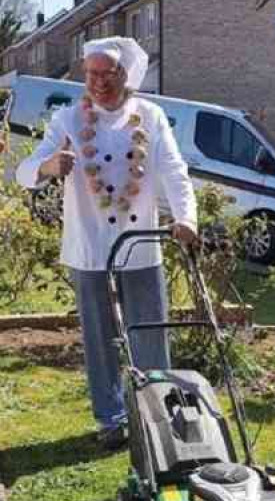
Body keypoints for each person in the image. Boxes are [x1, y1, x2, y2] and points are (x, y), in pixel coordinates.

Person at [15, 37, 198, 450]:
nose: (97, 82)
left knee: (150, 330)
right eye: (90, 73)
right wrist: (48, 165)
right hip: (90, 243)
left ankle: (159, 414)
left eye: (106, 73)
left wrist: (186, 218)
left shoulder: (150, 117)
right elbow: (23, 172)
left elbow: (174, 171)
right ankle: (111, 418)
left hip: (141, 243)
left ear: (124, 75)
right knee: (98, 336)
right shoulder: (67, 120)